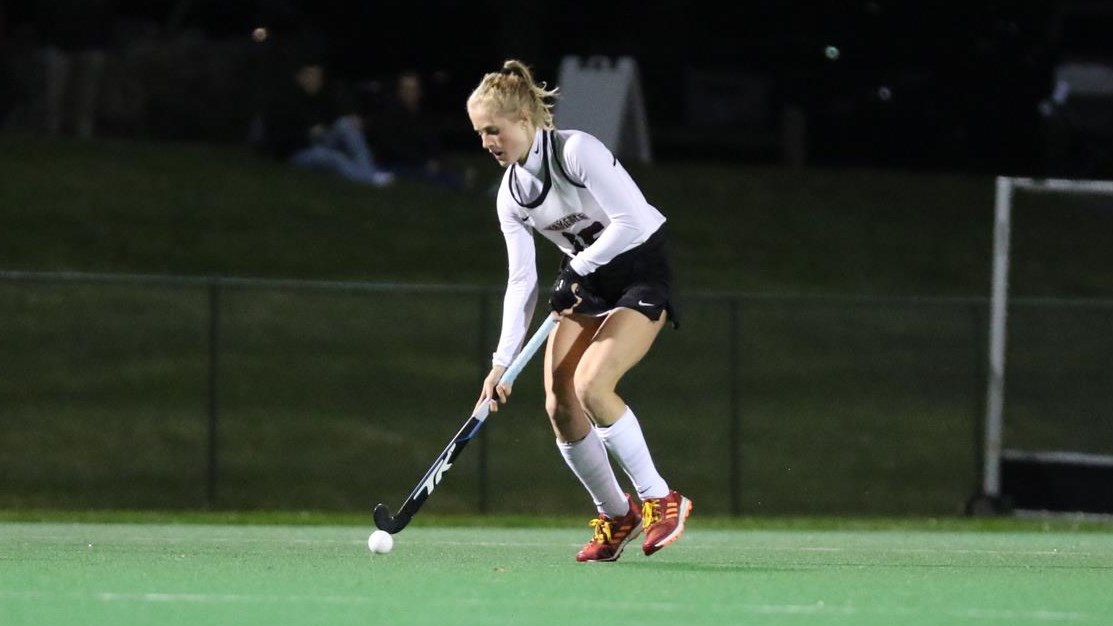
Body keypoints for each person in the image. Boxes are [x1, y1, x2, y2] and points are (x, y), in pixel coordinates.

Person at [466, 59, 692, 562]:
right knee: (560, 403)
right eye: (479, 133)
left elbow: (631, 222)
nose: (487, 142)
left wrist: (576, 267)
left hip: (639, 267)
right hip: (588, 278)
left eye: (493, 130)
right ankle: (617, 515)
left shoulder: (577, 151)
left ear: (524, 120)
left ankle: (662, 498)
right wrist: (501, 362)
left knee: (593, 385)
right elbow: (521, 281)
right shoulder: (511, 195)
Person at [259, 61, 394, 187]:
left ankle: (369, 171)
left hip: (319, 141)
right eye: (312, 76)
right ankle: (369, 179)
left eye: (319, 76)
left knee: (346, 124)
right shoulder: (285, 102)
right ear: (301, 77)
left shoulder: (320, 98)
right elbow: (280, 138)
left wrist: (349, 119)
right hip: (296, 152)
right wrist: (307, 133)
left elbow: (333, 119)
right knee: (333, 157)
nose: (317, 80)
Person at [368, 69, 473, 190]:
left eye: (413, 89)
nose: (410, 93)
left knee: (438, 168)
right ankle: (458, 181)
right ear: (400, 91)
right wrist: (423, 161)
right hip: (393, 163)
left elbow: (429, 138)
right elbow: (393, 146)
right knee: (426, 175)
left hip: (416, 160)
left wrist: (432, 157)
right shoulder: (391, 114)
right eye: (406, 89)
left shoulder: (420, 114)